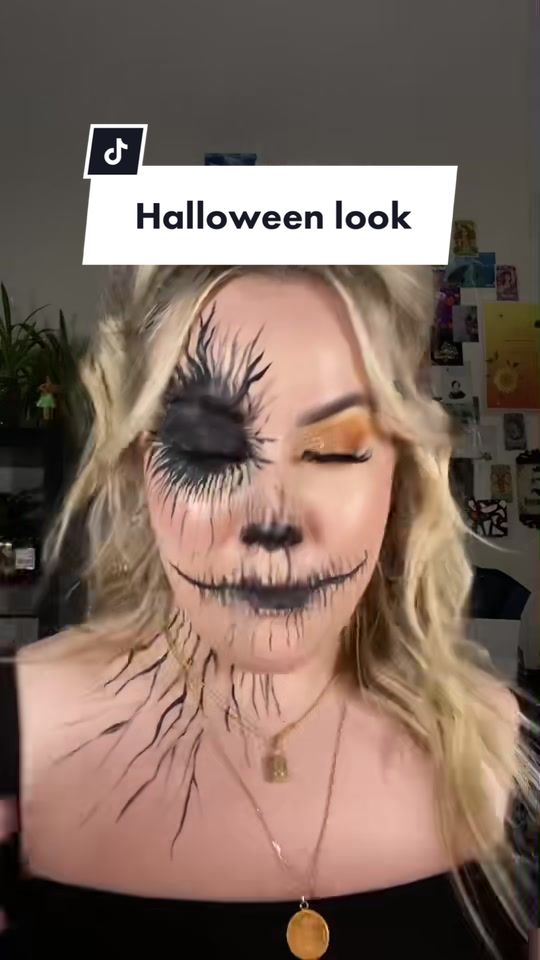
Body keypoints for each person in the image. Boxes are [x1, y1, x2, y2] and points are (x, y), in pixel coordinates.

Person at [0, 265, 538, 959]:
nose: (274, 519)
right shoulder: (20, 728)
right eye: (206, 448)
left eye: (334, 450)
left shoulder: (492, 741)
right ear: (138, 468)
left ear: (400, 475)